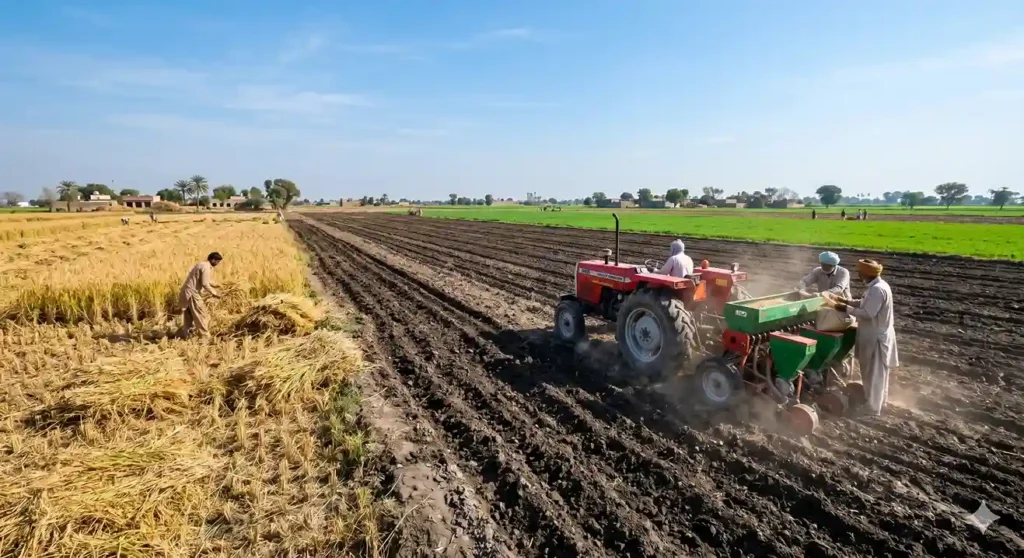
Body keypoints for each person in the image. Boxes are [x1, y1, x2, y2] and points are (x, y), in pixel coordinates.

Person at [823, 259, 899, 416]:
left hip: (876, 338)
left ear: (866, 273)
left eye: (860, 272)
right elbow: (864, 304)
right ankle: (878, 403)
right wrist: (845, 300)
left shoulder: (877, 290)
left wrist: (843, 307)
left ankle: (872, 409)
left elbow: (868, 313)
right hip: (874, 335)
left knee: (874, 374)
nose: (858, 274)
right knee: (876, 374)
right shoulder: (877, 287)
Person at [177, 252, 223, 339]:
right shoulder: (206, 267)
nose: (217, 264)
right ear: (213, 260)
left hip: (187, 291)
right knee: (201, 314)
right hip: (193, 293)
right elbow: (205, 283)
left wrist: (215, 285)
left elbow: (204, 280)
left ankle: (187, 335)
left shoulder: (201, 264)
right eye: (217, 262)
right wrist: (215, 293)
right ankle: (204, 335)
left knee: (188, 316)